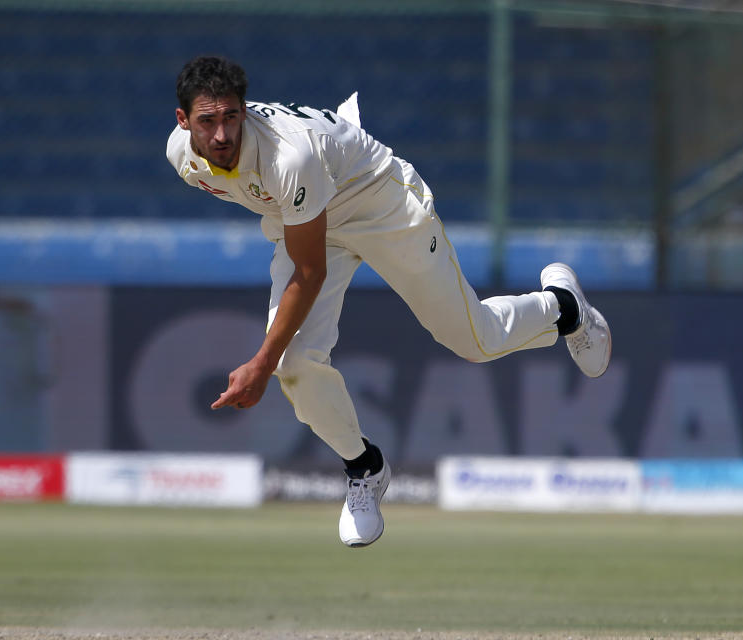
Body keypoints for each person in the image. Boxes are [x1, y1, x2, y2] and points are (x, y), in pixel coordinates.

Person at [167, 55, 611, 548]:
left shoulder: (288, 158)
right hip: (311, 220)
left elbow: (309, 272)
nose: (223, 134)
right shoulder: (183, 158)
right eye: (208, 121)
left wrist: (258, 362)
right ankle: (365, 468)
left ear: (244, 111)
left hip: (382, 205)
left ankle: (564, 308)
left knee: (475, 341)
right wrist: (273, 361)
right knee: (295, 364)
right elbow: (299, 237)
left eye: (232, 116)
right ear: (184, 121)